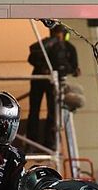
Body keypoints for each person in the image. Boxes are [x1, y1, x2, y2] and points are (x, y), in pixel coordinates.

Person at [27, 23, 79, 151]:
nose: (57, 36)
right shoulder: (45, 45)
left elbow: (72, 67)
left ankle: (49, 142)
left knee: (53, 112)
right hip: (39, 81)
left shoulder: (69, 49)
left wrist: (68, 69)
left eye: (60, 33)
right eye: (55, 33)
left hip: (55, 84)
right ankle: (31, 141)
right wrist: (43, 67)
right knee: (34, 110)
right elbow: (32, 57)